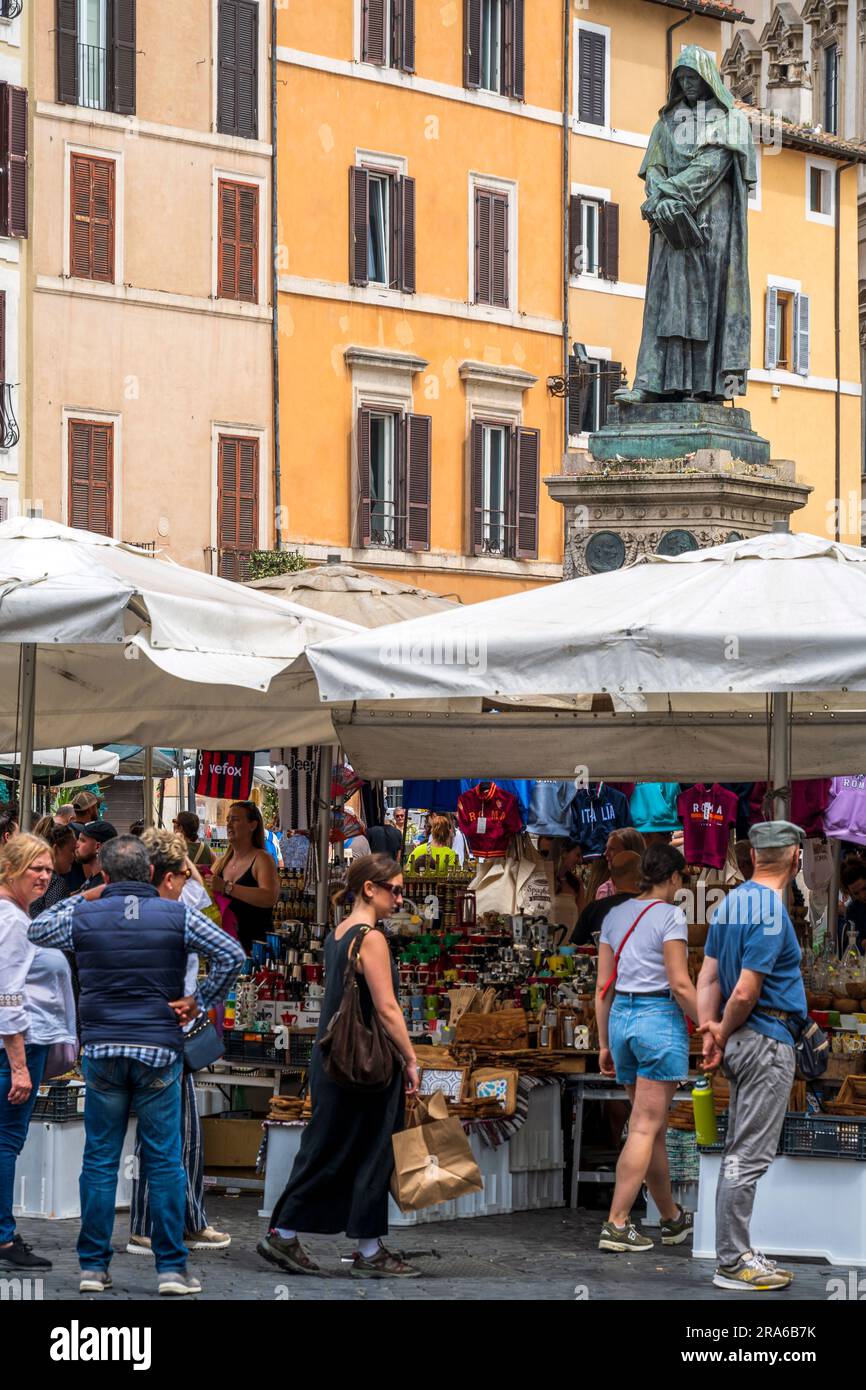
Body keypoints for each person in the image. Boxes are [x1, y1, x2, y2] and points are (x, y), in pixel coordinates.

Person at [29, 834, 245, 1296]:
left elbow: (38, 928)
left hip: (103, 1049)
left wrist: (89, 894)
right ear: (150, 873)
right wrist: (199, 1001)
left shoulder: (85, 912)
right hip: (159, 1050)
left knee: (100, 1160)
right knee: (165, 1160)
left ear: (103, 875)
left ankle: (92, 1268)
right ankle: (170, 1269)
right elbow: (232, 954)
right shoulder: (178, 914)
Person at [259, 854, 421, 1279]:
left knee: (333, 1148)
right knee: (367, 1150)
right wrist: (411, 1057)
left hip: (336, 1059)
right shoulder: (372, 938)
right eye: (396, 890)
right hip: (364, 1062)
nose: (401, 899)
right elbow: (386, 1009)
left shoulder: (339, 933)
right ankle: (337, 1243)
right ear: (370, 888)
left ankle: (350, 1243)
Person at [698, 821, 808, 1292]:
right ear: (796, 858)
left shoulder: (730, 905)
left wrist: (711, 1033)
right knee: (748, 1155)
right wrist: (721, 1028)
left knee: (738, 1150)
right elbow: (743, 990)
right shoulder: (769, 909)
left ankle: (736, 1251)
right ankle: (733, 1259)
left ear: (753, 858)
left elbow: (708, 979)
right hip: (764, 1039)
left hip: (742, 1040)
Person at [614, 46, 755, 405]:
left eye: (693, 77)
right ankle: (651, 383)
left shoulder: (730, 122)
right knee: (664, 302)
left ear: (708, 79)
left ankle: (702, 388)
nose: (688, 84)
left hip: (710, 227)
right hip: (670, 224)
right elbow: (654, 168)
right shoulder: (666, 123)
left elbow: (711, 167)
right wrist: (660, 194)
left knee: (704, 304)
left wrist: (667, 194)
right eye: (682, 78)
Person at [127, 830, 230, 1255]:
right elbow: (219, 932)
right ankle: (149, 1224)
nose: (189, 877)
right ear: (169, 875)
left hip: (167, 1028)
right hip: (158, 1029)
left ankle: (187, 1217)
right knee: (162, 1131)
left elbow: (208, 915)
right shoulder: (156, 911)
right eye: (184, 871)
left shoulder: (165, 906)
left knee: (184, 1131)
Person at [595, 844, 697, 1253]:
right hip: (658, 1019)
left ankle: (670, 1218)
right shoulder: (671, 915)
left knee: (649, 1127)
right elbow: (679, 982)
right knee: (643, 1127)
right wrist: (708, 1023)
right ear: (672, 877)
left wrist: (604, 1042)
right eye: (681, 879)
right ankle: (617, 1224)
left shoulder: (613, 914)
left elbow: (602, 987)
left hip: (621, 1018)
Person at [0, 834, 76, 1272]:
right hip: (17, 1045)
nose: (45, 876)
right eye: (36, 868)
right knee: (7, 1141)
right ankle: (4, 1237)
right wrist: (18, 1066)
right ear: (12, 867)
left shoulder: (16, 913)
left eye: (48, 869)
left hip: (24, 1044)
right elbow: (7, 995)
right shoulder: (11, 919)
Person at [210, 801, 280, 956]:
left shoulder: (262, 859)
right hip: (225, 951)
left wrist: (227, 887)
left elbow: (269, 897)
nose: (229, 825)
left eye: (235, 820)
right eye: (228, 820)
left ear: (252, 825)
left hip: (255, 951)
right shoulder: (221, 863)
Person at [574, 851, 642, 946]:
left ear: (612, 879)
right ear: (642, 875)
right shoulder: (655, 909)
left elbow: (575, 946)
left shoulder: (593, 910)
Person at [28, 819, 76, 917]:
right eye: (71, 851)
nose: (74, 856)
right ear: (55, 849)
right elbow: (54, 922)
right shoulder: (56, 883)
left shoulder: (30, 874)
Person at [64, 819, 117, 895]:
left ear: (98, 847)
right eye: (78, 839)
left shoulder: (103, 885)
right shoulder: (93, 878)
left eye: (82, 840)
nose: (76, 845)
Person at [593, 827, 647, 901]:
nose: (606, 853)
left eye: (612, 849)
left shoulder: (652, 888)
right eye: (606, 848)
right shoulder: (605, 891)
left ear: (629, 851)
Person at [838, 857, 866, 953]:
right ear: (849, 892)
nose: (862, 896)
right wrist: (862, 943)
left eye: (865, 888)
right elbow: (853, 939)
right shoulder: (853, 910)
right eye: (856, 893)